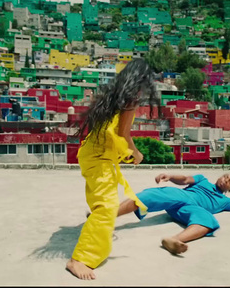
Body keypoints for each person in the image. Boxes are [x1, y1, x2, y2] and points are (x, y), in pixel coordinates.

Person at [66, 58, 160, 280]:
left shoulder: (114, 94)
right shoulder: (130, 100)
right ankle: (79, 259)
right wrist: (136, 154)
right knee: (107, 207)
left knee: (101, 201)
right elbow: (122, 135)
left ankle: (95, 223)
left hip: (91, 153)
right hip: (99, 157)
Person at [117, 172, 230, 255]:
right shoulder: (203, 180)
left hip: (191, 210)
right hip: (183, 196)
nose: (225, 180)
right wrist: (170, 176)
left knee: (209, 220)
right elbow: (184, 180)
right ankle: (108, 214)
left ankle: (174, 240)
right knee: (152, 194)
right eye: (225, 176)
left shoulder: (225, 202)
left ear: (229, 189)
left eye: (229, 181)